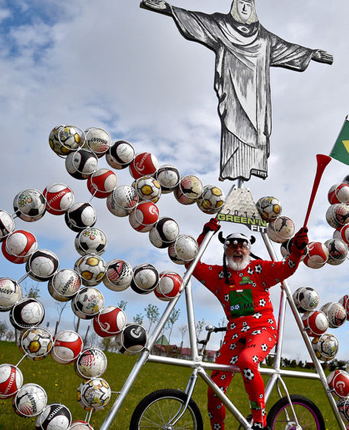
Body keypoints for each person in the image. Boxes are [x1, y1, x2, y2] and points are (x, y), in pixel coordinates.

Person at [140, 0, 333, 181]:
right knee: (233, 126)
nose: (244, 8)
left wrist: (312, 54)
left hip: (257, 99)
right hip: (232, 91)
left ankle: (251, 170)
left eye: (248, 4)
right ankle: (235, 172)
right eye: (241, 3)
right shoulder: (221, 25)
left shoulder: (264, 37)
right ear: (234, 5)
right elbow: (196, 20)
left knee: (256, 134)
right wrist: (168, 8)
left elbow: (288, 49)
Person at [189, 218, 308, 430]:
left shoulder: (259, 269)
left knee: (247, 360)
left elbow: (287, 268)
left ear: (249, 250)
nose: (238, 249)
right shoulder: (219, 276)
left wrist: (297, 250)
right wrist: (203, 236)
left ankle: (259, 422)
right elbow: (191, 264)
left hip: (263, 329)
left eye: (243, 245)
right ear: (225, 249)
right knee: (214, 388)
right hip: (234, 335)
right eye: (232, 245)